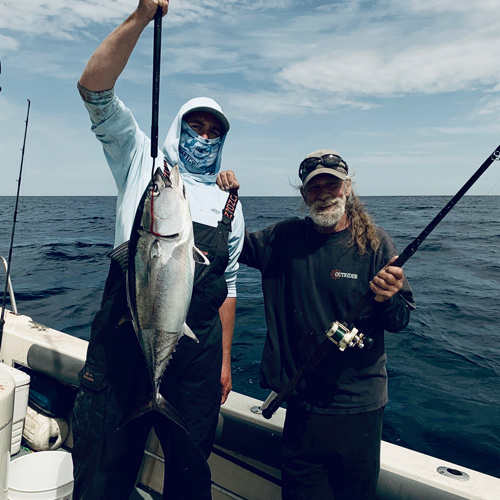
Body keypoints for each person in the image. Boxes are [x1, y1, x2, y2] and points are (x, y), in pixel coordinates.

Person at [71, 1, 244, 499]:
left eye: (214, 132)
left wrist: (225, 362)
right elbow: (94, 90)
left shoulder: (228, 199)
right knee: (104, 471)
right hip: (125, 343)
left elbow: (228, 285)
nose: (203, 138)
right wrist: (141, 16)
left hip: (197, 361)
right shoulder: (141, 160)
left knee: (191, 476)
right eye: (196, 126)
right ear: (178, 127)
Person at [231, 149, 415, 500]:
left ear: (347, 188)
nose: (325, 193)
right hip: (302, 403)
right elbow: (229, 246)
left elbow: (400, 321)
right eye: (315, 187)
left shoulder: (375, 243)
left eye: (333, 184)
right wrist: (225, 198)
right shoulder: (282, 238)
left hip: (360, 407)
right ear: (304, 195)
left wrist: (388, 298)